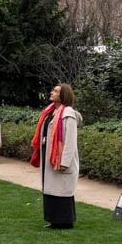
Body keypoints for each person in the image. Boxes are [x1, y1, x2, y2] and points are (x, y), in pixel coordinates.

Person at [30, 83, 81, 228]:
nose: (52, 92)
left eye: (56, 91)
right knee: (51, 190)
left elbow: (70, 141)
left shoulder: (68, 115)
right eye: (53, 90)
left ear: (63, 95)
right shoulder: (50, 112)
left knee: (62, 191)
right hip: (49, 157)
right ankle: (54, 220)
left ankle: (65, 222)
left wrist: (65, 161)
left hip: (60, 159)